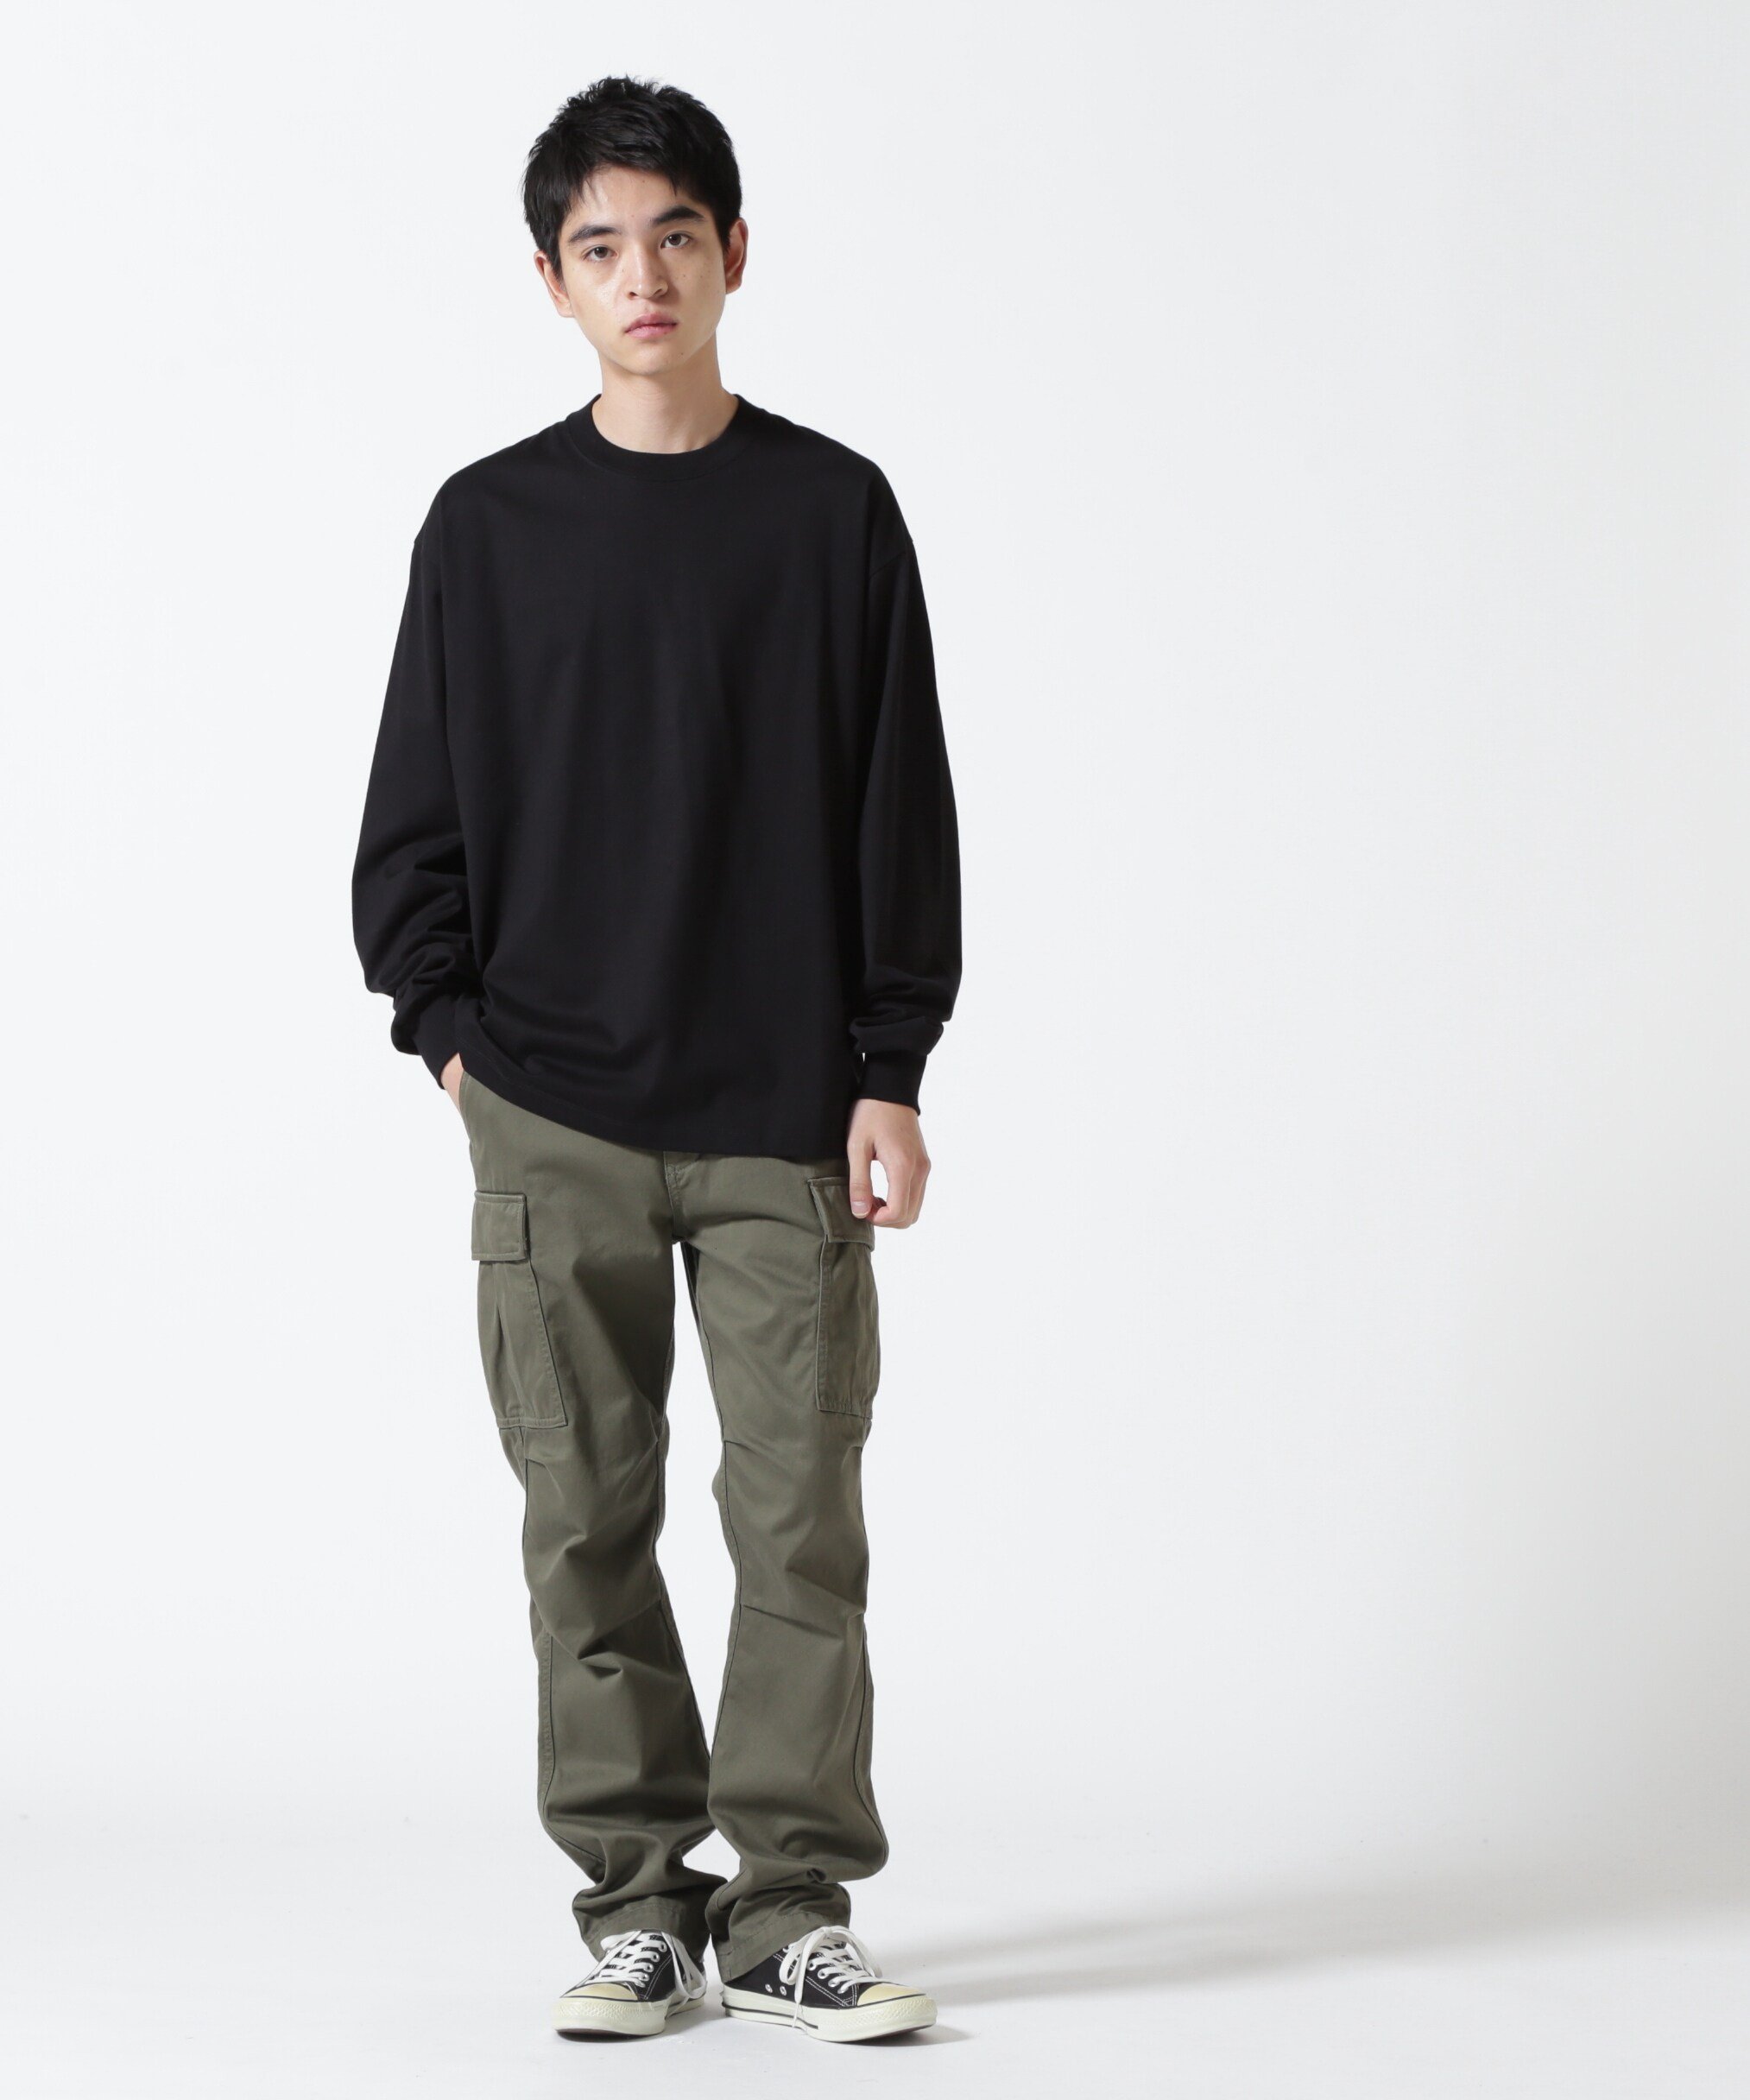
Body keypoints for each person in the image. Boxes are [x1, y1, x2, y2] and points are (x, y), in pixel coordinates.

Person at [350, 75, 961, 2046]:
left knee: (800, 1525)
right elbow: (411, 835)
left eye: (675, 236)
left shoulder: (833, 513)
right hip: (553, 1120)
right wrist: (459, 1053)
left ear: (735, 253)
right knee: (585, 1521)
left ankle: (787, 1910)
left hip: (786, 1114)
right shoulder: (488, 527)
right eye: (601, 247)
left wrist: (890, 1064)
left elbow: (898, 810)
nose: (644, 278)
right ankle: (635, 1901)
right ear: (551, 280)